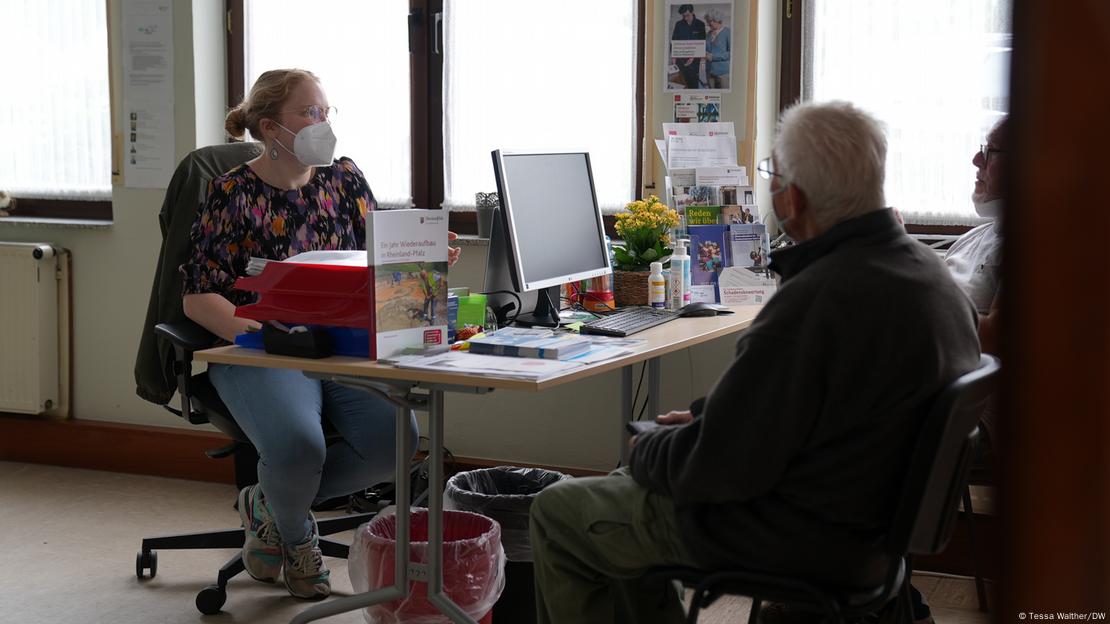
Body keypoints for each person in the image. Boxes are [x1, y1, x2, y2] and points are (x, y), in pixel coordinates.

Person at [528, 101, 981, 624]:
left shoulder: (819, 297)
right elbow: (809, 412)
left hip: (790, 530)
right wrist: (705, 421)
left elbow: (717, 468)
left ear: (794, 197)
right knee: (617, 500)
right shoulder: (933, 278)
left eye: (771, 173)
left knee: (560, 513)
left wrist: (649, 448)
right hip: (864, 535)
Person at [179, 69, 460, 600]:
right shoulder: (231, 193)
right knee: (298, 447)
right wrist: (261, 336)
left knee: (398, 442)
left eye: (326, 112)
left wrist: (423, 261)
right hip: (261, 351)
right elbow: (198, 295)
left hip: (342, 345)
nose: (322, 124)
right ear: (270, 127)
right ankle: (297, 536)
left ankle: (269, 504)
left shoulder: (345, 179)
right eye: (309, 113)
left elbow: (375, 266)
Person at [671, 4, 706, 89]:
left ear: (693, 12)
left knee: (693, 84)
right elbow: (674, 41)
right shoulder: (678, 24)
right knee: (681, 83)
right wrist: (673, 56)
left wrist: (693, 56)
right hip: (681, 59)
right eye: (683, 16)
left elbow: (702, 43)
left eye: (687, 15)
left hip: (694, 61)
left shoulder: (700, 24)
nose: (685, 18)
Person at [703, 9, 731, 90]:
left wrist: (713, 57)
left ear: (717, 19)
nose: (708, 24)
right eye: (707, 21)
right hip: (709, 72)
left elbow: (731, 53)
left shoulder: (728, 32)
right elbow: (705, 49)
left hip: (723, 73)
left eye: (709, 21)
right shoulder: (708, 34)